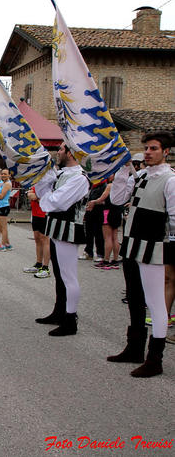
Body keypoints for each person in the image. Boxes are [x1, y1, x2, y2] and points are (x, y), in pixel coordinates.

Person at [107, 131, 174, 377]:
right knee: (134, 298)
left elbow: (174, 218)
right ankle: (134, 348)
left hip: (153, 246)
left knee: (155, 303)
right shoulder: (142, 175)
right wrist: (122, 172)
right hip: (132, 244)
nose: (147, 152)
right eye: (146, 148)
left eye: (153, 148)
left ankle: (155, 359)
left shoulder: (170, 179)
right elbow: (117, 199)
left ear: (166, 151)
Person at [34, 143, 90, 336]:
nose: (58, 152)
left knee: (68, 276)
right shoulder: (63, 173)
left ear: (71, 153)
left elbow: (56, 202)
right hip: (57, 227)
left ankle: (70, 319)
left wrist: (46, 196)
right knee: (59, 274)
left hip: (69, 229)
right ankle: (59, 311)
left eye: (61, 149)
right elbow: (43, 191)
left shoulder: (79, 177)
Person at [23, 186, 51, 278]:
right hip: (35, 214)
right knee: (37, 239)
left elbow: (34, 196)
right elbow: (30, 195)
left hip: (44, 214)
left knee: (45, 240)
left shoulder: (48, 184)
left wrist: (35, 196)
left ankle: (46, 267)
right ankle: (38, 264)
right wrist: (35, 196)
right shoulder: (36, 185)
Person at [79, 180, 107, 263]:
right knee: (88, 233)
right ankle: (88, 252)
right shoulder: (92, 186)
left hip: (99, 212)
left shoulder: (104, 186)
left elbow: (105, 200)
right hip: (89, 212)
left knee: (99, 234)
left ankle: (100, 253)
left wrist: (94, 203)